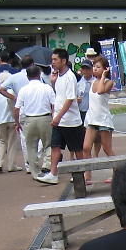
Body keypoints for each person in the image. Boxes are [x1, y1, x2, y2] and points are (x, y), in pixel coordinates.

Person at [36, 48, 83, 185]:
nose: (53, 62)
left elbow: (70, 99)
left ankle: (81, 173)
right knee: (55, 146)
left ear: (64, 61)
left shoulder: (70, 77)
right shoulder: (58, 76)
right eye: (52, 60)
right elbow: (59, 95)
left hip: (71, 121)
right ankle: (53, 173)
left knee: (76, 149)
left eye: (55, 59)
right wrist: (53, 82)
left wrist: (58, 116)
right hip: (59, 120)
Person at [13, 65, 55, 179]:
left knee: (31, 147)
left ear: (27, 76)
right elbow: (54, 104)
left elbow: (16, 109)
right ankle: (47, 164)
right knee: (49, 144)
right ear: (39, 74)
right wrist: (53, 116)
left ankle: (35, 172)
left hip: (29, 119)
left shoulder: (23, 90)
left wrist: (17, 123)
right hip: (45, 118)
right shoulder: (47, 88)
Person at [82, 56, 116, 187]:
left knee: (107, 149)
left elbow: (101, 91)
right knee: (86, 147)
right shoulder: (92, 82)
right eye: (94, 66)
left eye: (98, 67)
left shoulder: (108, 82)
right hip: (92, 119)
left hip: (104, 120)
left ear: (105, 69)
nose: (95, 69)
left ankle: (116, 172)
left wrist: (103, 76)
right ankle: (88, 175)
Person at [0, 71, 20, 173]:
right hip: (11, 120)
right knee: (12, 143)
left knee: (2, 141)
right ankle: (11, 165)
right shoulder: (13, 92)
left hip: (0, 120)